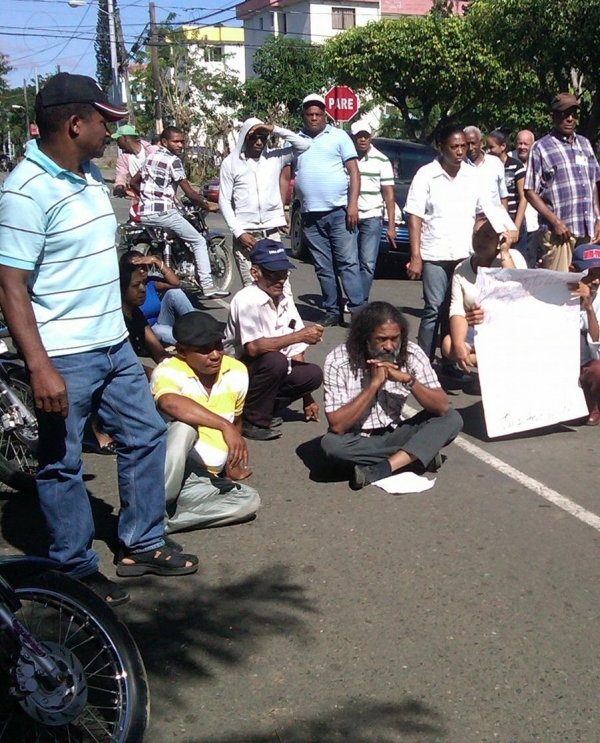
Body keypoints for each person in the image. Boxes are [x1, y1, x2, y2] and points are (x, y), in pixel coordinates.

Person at [0, 72, 198, 605]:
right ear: (73, 123)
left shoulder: (87, 176)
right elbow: (11, 284)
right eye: (103, 122)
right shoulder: (24, 191)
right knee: (62, 462)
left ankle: (141, 544)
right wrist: (39, 366)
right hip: (65, 355)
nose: (112, 132)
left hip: (113, 343)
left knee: (147, 435)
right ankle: (73, 567)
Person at [321, 302, 463, 490]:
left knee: (452, 418)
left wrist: (408, 380)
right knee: (331, 446)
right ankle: (415, 455)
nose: (389, 346)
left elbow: (442, 406)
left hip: (395, 432)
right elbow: (337, 425)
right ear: (365, 338)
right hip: (357, 440)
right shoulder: (338, 361)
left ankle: (381, 469)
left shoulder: (411, 353)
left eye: (395, 339)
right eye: (381, 339)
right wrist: (373, 384)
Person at [405, 125, 517, 364]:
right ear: (441, 147)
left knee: (457, 311)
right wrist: (416, 256)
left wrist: (507, 228)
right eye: (454, 147)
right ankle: (423, 363)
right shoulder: (426, 174)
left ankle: (452, 360)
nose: (460, 151)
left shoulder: (473, 176)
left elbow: (487, 211)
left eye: (463, 146)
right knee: (433, 308)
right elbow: (415, 216)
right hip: (435, 253)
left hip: (465, 255)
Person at [151, 311, 261, 532]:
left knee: (249, 500)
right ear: (182, 351)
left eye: (218, 346)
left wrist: (233, 464)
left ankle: (162, 523)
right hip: (167, 471)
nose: (215, 355)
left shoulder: (236, 370)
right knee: (184, 428)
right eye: (204, 350)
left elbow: (236, 418)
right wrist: (223, 425)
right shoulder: (168, 370)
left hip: (203, 479)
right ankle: (153, 511)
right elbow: (169, 402)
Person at [223, 239, 324, 440]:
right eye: (273, 275)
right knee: (275, 360)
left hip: (266, 366)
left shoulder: (284, 298)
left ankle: (263, 408)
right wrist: (299, 335)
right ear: (255, 273)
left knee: (312, 374)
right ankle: (252, 420)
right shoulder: (246, 300)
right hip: (237, 369)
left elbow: (296, 349)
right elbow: (253, 348)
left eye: (284, 274)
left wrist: (307, 397)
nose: (280, 280)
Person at [131, 125, 228, 299]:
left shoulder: (150, 157)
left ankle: (176, 264)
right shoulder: (173, 161)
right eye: (176, 141)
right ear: (164, 142)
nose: (180, 145)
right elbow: (189, 192)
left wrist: (148, 197)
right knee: (198, 241)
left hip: (145, 214)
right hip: (165, 213)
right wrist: (207, 205)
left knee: (174, 237)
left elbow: (133, 182)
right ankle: (207, 286)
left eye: (182, 141)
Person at [294, 93, 365, 327]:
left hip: (339, 212)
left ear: (325, 115)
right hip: (309, 214)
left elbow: (354, 172)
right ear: (304, 116)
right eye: (309, 114)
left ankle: (357, 311)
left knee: (347, 263)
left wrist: (352, 204)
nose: (314, 118)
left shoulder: (339, 137)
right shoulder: (296, 140)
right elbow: (286, 175)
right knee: (323, 266)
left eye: (318, 114)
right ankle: (332, 310)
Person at [219, 117, 311, 287]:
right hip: (247, 237)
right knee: (253, 290)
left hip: (271, 235)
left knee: (282, 288)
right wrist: (239, 233)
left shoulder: (275, 158)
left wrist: (273, 128)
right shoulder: (231, 163)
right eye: (253, 137)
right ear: (245, 138)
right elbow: (224, 200)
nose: (259, 141)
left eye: (263, 137)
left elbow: (304, 145)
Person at [524, 93, 600, 273]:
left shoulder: (585, 144)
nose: (570, 119)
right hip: (559, 232)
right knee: (560, 288)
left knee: (588, 286)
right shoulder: (541, 147)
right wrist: (555, 221)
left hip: (587, 228)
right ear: (553, 117)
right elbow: (529, 191)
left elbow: (594, 183)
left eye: (573, 114)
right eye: (564, 114)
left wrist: (598, 218)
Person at [442, 219, 526, 373]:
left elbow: (518, 291)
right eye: (476, 235)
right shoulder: (461, 269)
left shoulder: (513, 257)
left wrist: (505, 253)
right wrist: (460, 344)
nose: (480, 241)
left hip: (509, 327)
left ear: (499, 240)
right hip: (479, 329)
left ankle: (499, 361)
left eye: (487, 236)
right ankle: (493, 360)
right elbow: (457, 310)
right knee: (449, 345)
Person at [350, 120, 397, 303]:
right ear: (353, 138)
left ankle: (359, 302)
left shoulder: (381, 160)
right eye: (359, 136)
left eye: (366, 136)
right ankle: (353, 297)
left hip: (372, 216)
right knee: (349, 262)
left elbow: (389, 195)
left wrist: (391, 225)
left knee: (367, 263)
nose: (363, 139)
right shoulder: (346, 157)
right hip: (349, 216)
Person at [121, 251, 194, 347]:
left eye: (144, 267)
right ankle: (194, 344)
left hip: (161, 322)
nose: (142, 271)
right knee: (160, 330)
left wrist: (156, 261)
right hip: (145, 333)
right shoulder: (125, 289)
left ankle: (198, 327)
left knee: (175, 292)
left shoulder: (150, 282)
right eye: (137, 268)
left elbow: (175, 283)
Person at [569, 245, 600, 426]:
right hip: (563, 361)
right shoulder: (554, 292)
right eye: (590, 273)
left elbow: (598, 352)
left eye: (599, 273)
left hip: (589, 363)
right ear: (574, 271)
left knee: (598, 370)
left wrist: (588, 307)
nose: (595, 281)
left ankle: (593, 403)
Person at [486, 127, 527, 251]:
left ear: (503, 146)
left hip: (514, 219)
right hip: (495, 222)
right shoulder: (487, 167)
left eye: (491, 147)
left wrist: (516, 226)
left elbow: (523, 198)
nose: (488, 151)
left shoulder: (516, 166)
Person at [112, 124, 157, 219]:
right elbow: (121, 174)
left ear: (124, 138)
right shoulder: (123, 158)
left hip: (158, 196)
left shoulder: (152, 151)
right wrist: (119, 186)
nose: (116, 142)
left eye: (118, 139)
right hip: (139, 197)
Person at [510, 129, 540, 267]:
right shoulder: (508, 160)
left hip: (533, 221)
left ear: (533, 145)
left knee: (529, 264)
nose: (522, 147)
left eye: (526, 144)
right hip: (512, 223)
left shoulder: (539, 160)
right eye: (519, 143)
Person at [463, 125, 509, 210]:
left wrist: (504, 220)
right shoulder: (459, 166)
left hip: (493, 219)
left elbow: (503, 196)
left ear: (481, 142)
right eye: (467, 144)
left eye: (473, 143)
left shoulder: (495, 163)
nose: (470, 148)